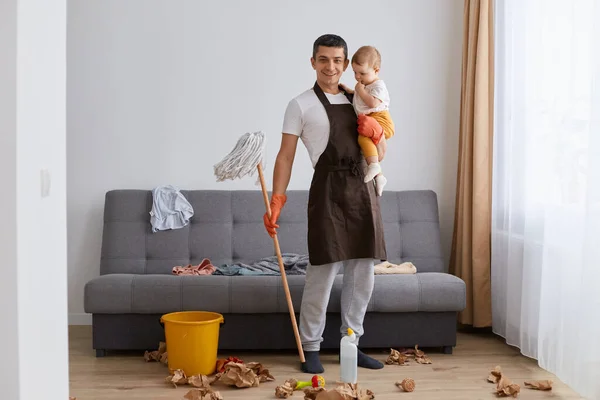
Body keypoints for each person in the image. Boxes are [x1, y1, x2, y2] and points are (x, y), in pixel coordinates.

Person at [263, 34, 388, 374]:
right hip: (328, 189)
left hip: (362, 187)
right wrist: (277, 199)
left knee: (363, 273)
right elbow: (285, 156)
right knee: (322, 270)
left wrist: (378, 136)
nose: (330, 66)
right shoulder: (300, 104)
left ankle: (351, 342)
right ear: (313, 62)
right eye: (323, 59)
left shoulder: (360, 99)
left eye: (337, 60)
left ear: (346, 64)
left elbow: (380, 146)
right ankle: (311, 346)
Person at [341, 45, 395, 196]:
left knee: (363, 138)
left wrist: (359, 90)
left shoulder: (378, 85)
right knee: (364, 143)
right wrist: (350, 91)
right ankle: (379, 176)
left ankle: (374, 166)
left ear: (376, 70)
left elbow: (372, 103)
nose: (358, 77)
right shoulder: (364, 85)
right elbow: (360, 99)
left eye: (362, 73)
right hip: (370, 119)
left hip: (381, 119)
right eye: (355, 72)